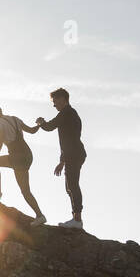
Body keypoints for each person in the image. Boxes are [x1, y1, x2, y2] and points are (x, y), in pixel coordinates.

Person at [0, 104, 47, 225]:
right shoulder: (15, 119)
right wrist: (40, 124)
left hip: (16, 156)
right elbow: (32, 131)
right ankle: (40, 216)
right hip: (27, 155)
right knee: (25, 190)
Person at [36, 88, 86, 230]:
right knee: (70, 186)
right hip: (73, 153)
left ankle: (77, 220)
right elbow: (68, 140)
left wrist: (41, 122)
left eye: (55, 101)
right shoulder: (70, 114)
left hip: (74, 154)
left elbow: (50, 126)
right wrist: (62, 161)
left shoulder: (67, 113)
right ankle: (76, 219)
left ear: (63, 99)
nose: (54, 105)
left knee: (72, 185)